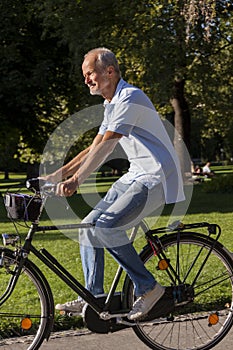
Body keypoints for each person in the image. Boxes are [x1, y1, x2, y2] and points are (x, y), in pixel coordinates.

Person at [43, 47, 185, 320]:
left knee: (107, 227)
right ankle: (93, 297)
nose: (86, 80)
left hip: (155, 177)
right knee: (88, 227)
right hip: (135, 174)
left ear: (109, 71)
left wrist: (76, 181)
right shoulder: (111, 104)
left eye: (90, 74)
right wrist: (56, 176)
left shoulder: (130, 97)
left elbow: (107, 146)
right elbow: (94, 146)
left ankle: (149, 288)